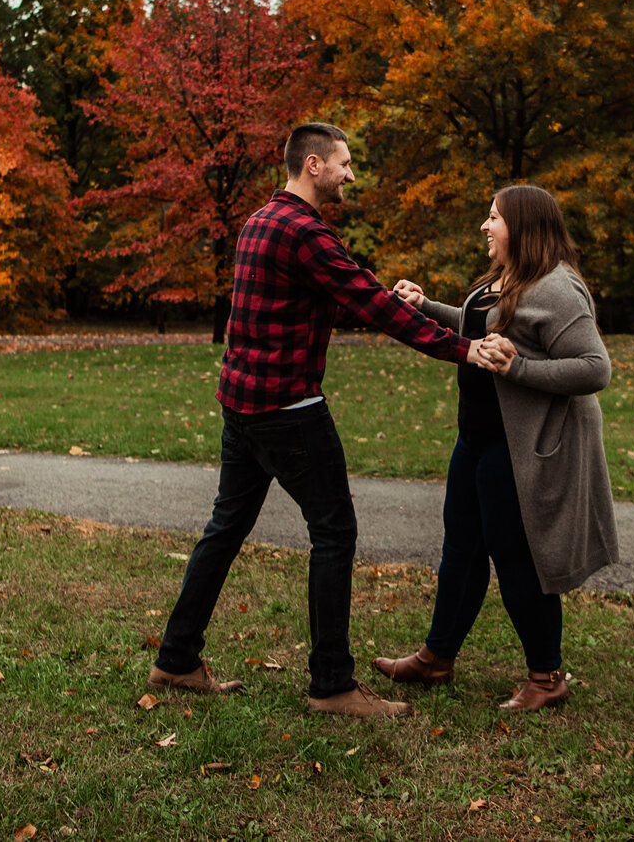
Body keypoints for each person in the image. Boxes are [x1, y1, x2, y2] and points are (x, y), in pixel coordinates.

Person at [147, 122, 515, 718]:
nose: (350, 175)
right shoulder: (305, 232)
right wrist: (465, 348)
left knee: (225, 529)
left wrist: (406, 304)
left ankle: (177, 657)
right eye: (344, 164)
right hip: (288, 411)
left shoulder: (261, 221)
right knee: (334, 532)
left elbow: (347, 295)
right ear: (313, 165)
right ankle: (332, 685)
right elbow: (369, 305)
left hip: (240, 404)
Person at [374, 184, 617, 711]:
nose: (485, 227)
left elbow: (596, 368)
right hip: (478, 439)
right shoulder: (504, 280)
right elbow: (476, 329)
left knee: (517, 558)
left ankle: (547, 677)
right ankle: (436, 658)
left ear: (523, 227)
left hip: (520, 447)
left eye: (493, 218)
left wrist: (519, 368)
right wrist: (426, 306)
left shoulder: (557, 288)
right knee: (460, 550)